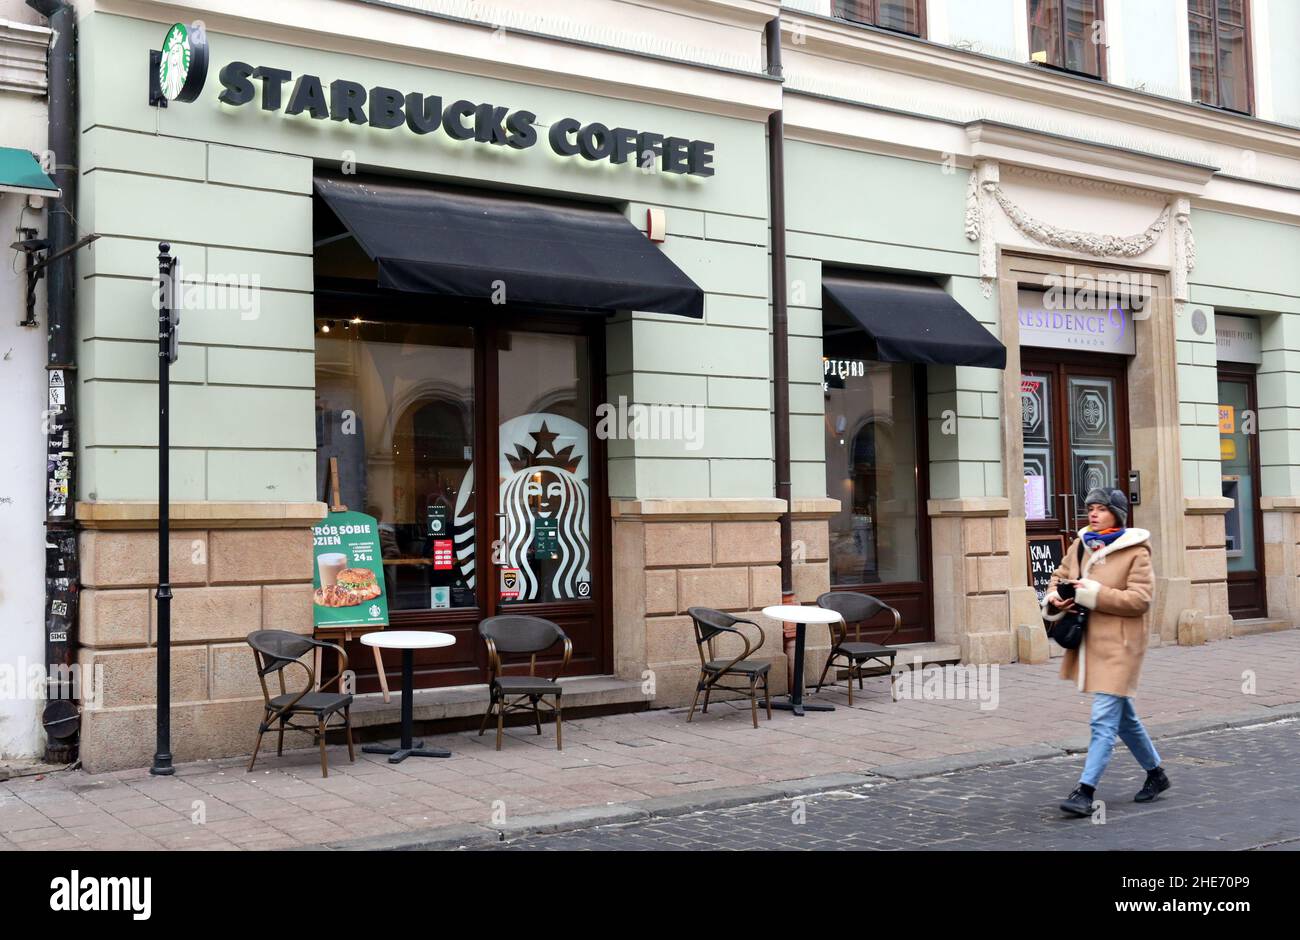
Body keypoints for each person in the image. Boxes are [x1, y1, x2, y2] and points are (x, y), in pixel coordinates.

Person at [1041, 487, 1171, 817]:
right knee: (1123, 717)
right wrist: (1056, 595)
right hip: (1090, 642)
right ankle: (1156, 774)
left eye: (1101, 508)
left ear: (1117, 514)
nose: (1093, 513)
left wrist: (1094, 593)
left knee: (1102, 719)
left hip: (1121, 645)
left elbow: (1140, 600)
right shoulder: (1081, 544)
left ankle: (1085, 791)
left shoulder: (1136, 551)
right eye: (1091, 508)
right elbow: (1058, 575)